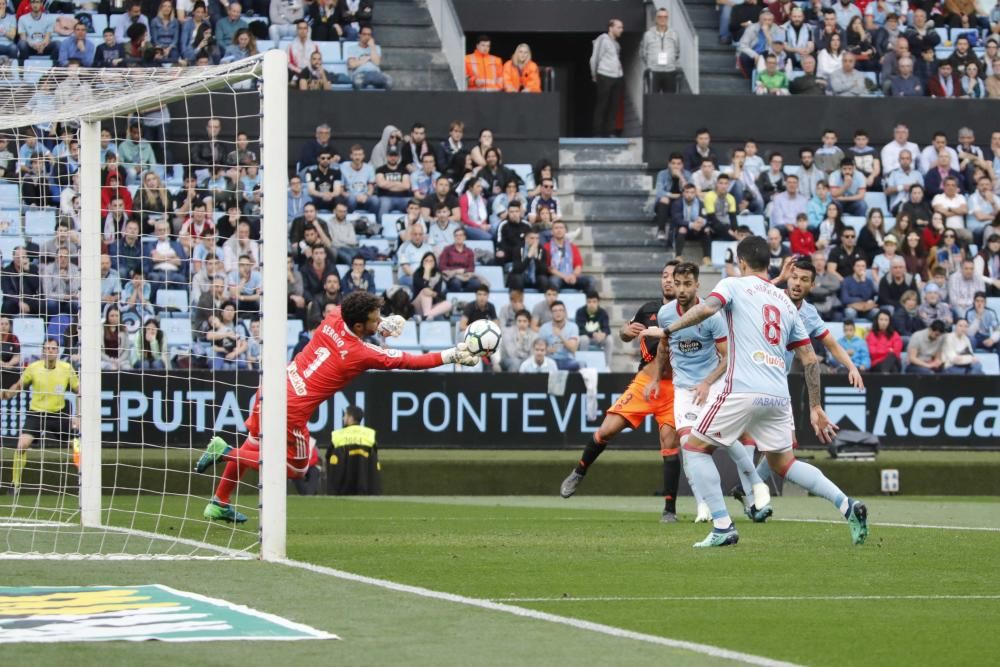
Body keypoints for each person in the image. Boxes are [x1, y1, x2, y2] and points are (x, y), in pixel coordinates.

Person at [654, 237, 864, 547]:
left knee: (695, 448)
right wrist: (816, 407)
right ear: (769, 264)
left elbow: (706, 309)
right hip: (778, 397)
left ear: (741, 262)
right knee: (785, 464)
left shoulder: (732, 285)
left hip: (741, 390)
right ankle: (848, 505)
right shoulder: (784, 302)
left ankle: (723, 526)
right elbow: (809, 359)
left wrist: (667, 330)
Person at [195, 293, 478, 521]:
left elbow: (351, 305)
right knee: (297, 468)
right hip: (291, 409)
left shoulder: (333, 315)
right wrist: (452, 355)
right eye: (374, 318)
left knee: (252, 445)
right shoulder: (360, 352)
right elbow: (408, 361)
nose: (378, 319)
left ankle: (219, 502)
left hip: (270, 388)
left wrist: (382, 325)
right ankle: (224, 451)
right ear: (358, 327)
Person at [638, 262, 772, 523]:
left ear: (697, 285)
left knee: (724, 437)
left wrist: (708, 382)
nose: (682, 289)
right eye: (678, 284)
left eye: (688, 284)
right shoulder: (666, 314)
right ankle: (704, 505)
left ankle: (757, 484)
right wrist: (655, 378)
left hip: (714, 384)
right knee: (689, 445)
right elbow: (665, 347)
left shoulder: (711, 315)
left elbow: (727, 357)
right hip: (683, 388)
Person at [561, 262, 686, 522]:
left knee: (669, 443)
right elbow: (625, 333)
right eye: (665, 276)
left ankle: (669, 510)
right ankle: (579, 471)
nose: (668, 281)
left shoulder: (690, 312)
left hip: (674, 386)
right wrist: (625, 332)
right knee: (606, 429)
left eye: (674, 277)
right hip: (645, 382)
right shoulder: (649, 309)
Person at [1, 339, 79, 493]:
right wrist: (7, 394)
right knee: (22, 445)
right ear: (43, 351)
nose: (50, 351)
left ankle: (82, 480)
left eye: (53, 348)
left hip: (58, 414)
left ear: (57, 352)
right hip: (36, 414)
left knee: (77, 445)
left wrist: (78, 415)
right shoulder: (33, 368)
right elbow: (18, 386)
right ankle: (15, 484)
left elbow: (79, 390)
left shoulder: (66, 368)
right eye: (47, 348)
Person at [590, 19, 624, 137]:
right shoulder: (602, 39)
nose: (621, 30)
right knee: (602, 105)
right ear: (611, 28)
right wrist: (594, 74)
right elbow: (594, 58)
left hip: (617, 77)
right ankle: (597, 132)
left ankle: (610, 132)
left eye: (622, 28)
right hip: (604, 75)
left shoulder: (617, 44)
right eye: (619, 27)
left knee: (614, 106)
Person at [544, 221, 592, 292]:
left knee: (590, 280)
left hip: (572, 276)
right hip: (557, 276)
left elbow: (578, 265)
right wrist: (564, 276)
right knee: (553, 281)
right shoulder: (547, 247)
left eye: (561, 228)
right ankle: (557, 303)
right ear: (552, 231)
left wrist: (573, 275)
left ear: (565, 231)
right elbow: (548, 267)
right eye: (556, 228)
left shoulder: (572, 247)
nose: (559, 230)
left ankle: (589, 302)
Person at [641, 7, 680, 93]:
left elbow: (677, 52)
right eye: (660, 17)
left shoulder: (674, 34)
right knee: (652, 100)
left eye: (665, 17)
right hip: (654, 71)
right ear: (656, 18)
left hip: (670, 71)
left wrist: (671, 62)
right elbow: (643, 53)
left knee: (670, 100)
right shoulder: (648, 35)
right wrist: (651, 63)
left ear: (668, 18)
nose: (662, 19)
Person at [575, 291, 612, 368]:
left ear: (598, 302)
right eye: (589, 302)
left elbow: (607, 328)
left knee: (609, 340)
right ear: (586, 302)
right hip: (586, 337)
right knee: (584, 339)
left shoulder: (603, 312)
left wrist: (603, 334)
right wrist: (593, 334)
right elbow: (580, 329)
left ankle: (607, 366)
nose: (591, 304)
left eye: (594, 302)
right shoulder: (580, 311)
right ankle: (582, 366)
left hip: (598, 338)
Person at [349, 26, 391, 90]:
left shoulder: (376, 48)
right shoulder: (352, 48)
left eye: (369, 35)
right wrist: (368, 58)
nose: (367, 37)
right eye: (364, 34)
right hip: (361, 74)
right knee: (357, 82)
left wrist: (372, 47)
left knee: (389, 81)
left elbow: (377, 63)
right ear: (359, 35)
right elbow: (352, 65)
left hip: (376, 74)